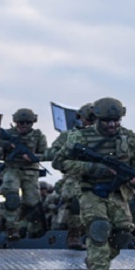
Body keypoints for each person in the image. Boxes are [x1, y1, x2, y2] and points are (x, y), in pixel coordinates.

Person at [53, 97, 135, 270]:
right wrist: (93, 168)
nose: (112, 124)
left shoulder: (129, 137)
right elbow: (59, 162)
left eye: (116, 120)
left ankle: (95, 262)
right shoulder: (80, 138)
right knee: (99, 228)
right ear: (97, 118)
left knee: (123, 235)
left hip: (118, 192)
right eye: (107, 121)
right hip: (91, 191)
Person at [47, 103, 96, 249]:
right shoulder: (69, 136)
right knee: (75, 204)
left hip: (99, 175)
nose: (90, 122)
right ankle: (74, 236)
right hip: (75, 175)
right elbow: (52, 153)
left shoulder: (105, 136)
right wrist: (70, 152)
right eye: (88, 118)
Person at [0, 108, 48, 241]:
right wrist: (7, 146)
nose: (24, 126)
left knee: (32, 203)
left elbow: (46, 154)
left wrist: (33, 157)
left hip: (31, 172)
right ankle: (11, 228)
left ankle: (29, 228)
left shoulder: (38, 136)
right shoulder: (8, 134)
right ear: (15, 122)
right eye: (21, 123)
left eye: (28, 123)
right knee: (12, 196)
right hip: (11, 169)